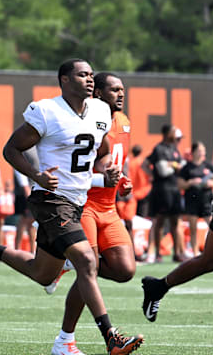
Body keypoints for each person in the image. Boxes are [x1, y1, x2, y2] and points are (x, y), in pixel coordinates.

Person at [0, 60, 143, 355]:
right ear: (64, 80)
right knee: (87, 261)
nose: (89, 79)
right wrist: (36, 174)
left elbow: (100, 151)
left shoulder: (101, 111)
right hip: (51, 200)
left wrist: (107, 173)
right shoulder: (47, 111)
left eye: (91, 75)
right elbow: (11, 148)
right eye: (82, 74)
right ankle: (111, 336)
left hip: (76, 200)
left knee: (42, 274)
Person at [45, 72, 143, 355]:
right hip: (83, 203)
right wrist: (102, 180)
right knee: (90, 268)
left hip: (109, 207)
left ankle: (68, 262)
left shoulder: (123, 122)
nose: (121, 94)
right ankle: (65, 340)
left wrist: (122, 179)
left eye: (122, 89)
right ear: (97, 94)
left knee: (125, 270)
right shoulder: (84, 121)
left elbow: (113, 162)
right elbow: (74, 169)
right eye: (114, 90)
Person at [141, 90, 213, 323]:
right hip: (168, 191)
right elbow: (158, 168)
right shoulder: (160, 149)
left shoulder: (176, 151)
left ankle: (158, 287)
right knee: (208, 259)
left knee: (208, 261)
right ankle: (155, 265)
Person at [142, 124, 186, 263]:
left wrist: (172, 165)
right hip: (162, 189)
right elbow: (162, 170)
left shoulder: (173, 149)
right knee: (160, 221)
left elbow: (182, 166)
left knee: (175, 221)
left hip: (174, 189)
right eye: (174, 133)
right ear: (167, 134)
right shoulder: (159, 149)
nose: (176, 137)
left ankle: (178, 253)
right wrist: (153, 174)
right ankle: (157, 253)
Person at [178, 141, 213, 256]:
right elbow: (180, 185)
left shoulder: (209, 165)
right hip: (192, 200)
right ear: (194, 152)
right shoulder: (187, 168)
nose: (202, 153)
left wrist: (209, 183)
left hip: (206, 199)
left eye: (203, 150)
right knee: (193, 228)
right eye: (200, 150)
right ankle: (195, 252)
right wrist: (191, 182)